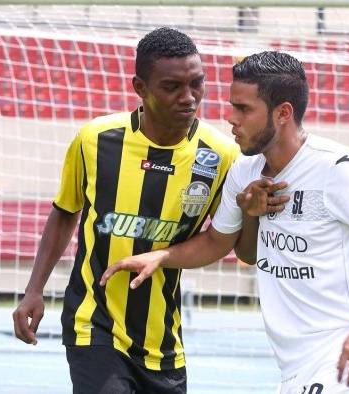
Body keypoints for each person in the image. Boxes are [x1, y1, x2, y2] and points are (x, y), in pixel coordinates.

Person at [100, 51, 349, 393]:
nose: (230, 118)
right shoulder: (244, 172)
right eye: (231, 105)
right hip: (295, 361)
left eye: (243, 109)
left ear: (283, 113)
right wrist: (162, 256)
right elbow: (226, 246)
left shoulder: (337, 169)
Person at [12, 27, 240, 394]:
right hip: (93, 323)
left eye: (197, 83)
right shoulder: (95, 139)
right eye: (172, 87)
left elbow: (220, 239)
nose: (189, 97)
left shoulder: (221, 155)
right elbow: (65, 211)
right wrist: (33, 289)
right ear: (140, 87)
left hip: (162, 341)